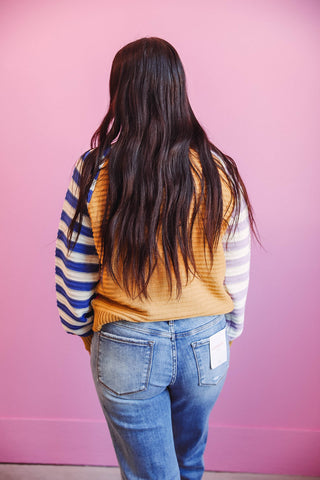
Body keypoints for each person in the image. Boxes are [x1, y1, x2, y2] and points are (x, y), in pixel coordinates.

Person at [55, 37, 258, 480]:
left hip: (125, 340)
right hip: (207, 344)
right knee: (189, 463)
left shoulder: (94, 169)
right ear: (177, 89)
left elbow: (75, 270)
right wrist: (228, 330)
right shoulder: (219, 168)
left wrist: (83, 332)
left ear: (120, 94)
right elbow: (236, 266)